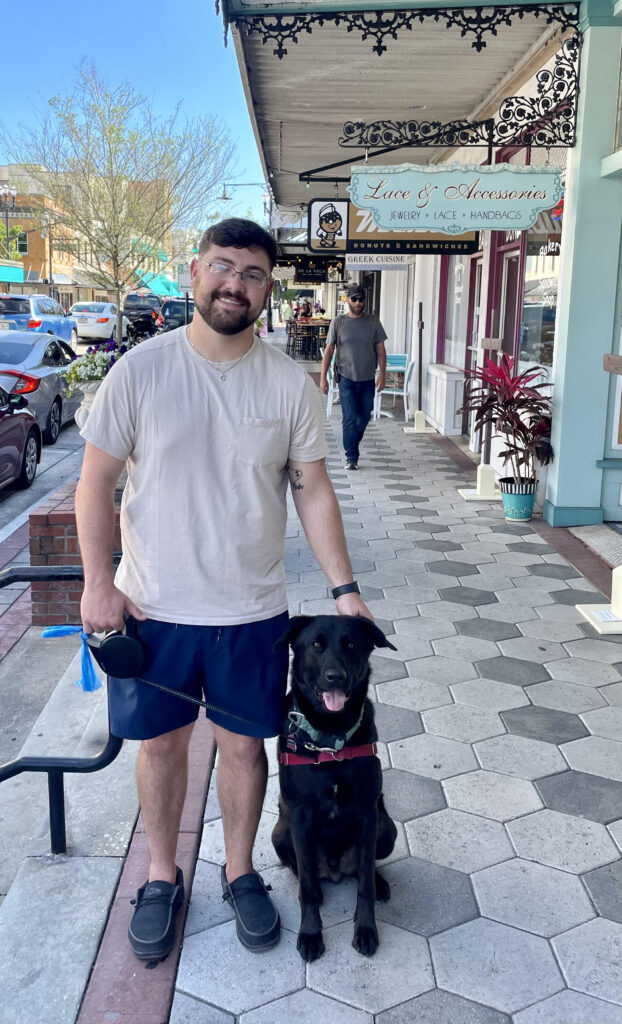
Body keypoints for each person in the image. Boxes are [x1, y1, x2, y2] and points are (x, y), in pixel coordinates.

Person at [75, 218, 372, 961]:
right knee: (162, 749)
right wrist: (96, 583)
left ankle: (241, 873)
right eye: (222, 267)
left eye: (252, 274)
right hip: (154, 607)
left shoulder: (286, 383)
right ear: (194, 272)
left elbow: (311, 490)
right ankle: (161, 876)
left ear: (269, 291)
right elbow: (94, 483)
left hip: (251, 614)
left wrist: (344, 589)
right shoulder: (139, 372)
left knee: (245, 752)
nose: (234, 283)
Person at [320, 284, 387, 470]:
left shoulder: (373, 322)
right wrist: (322, 377)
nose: (358, 303)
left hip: (367, 379)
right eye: (354, 299)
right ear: (348, 300)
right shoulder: (338, 322)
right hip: (346, 377)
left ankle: (352, 446)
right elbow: (329, 350)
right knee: (349, 418)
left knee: (364, 417)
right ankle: (351, 456)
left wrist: (382, 374)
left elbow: (381, 350)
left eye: (361, 299)